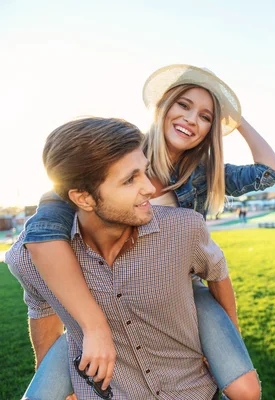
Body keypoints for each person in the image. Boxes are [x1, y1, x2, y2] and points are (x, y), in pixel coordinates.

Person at [20, 65, 275, 399]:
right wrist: (91, 324)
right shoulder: (114, 156)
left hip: (176, 291)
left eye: (205, 117)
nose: (192, 120)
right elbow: (43, 232)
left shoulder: (203, 174)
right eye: (184, 105)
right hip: (104, 288)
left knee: (243, 387)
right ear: (162, 107)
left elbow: (271, 172)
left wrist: (235, 118)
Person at [8, 117, 237, 399]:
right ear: (84, 199)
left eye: (144, 171)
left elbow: (217, 276)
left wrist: (227, 347)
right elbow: (41, 308)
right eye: (130, 179)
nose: (150, 188)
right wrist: (58, 384)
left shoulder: (184, 228)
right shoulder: (29, 258)